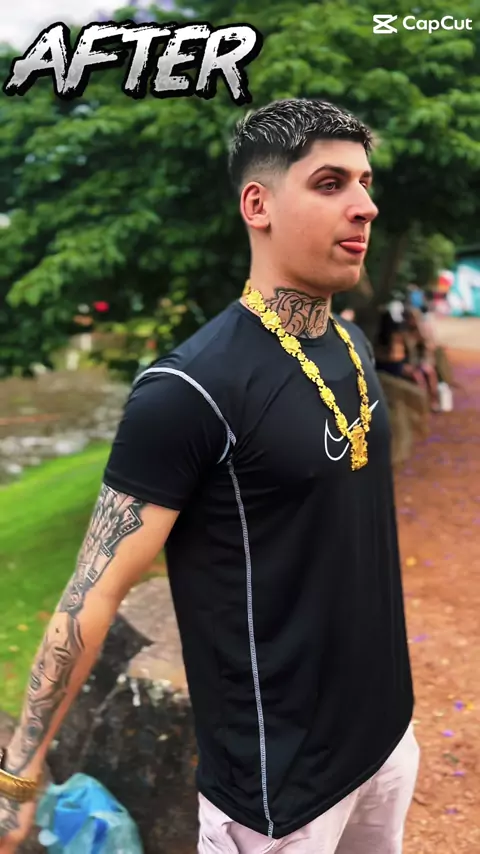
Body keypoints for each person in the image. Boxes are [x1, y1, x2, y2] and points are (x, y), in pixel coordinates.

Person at [0, 98, 419, 854]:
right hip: (278, 796)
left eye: (364, 182)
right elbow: (92, 592)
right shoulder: (189, 390)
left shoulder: (353, 347)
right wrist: (21, 771)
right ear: (258, 205)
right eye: (330, 183)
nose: (365, 205)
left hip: (386, 742)